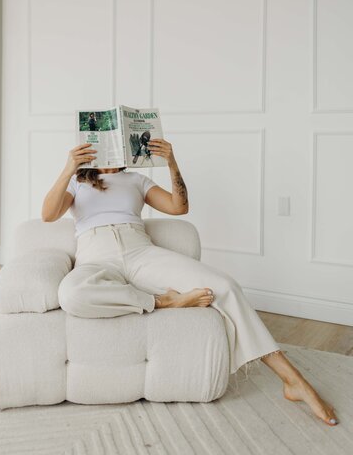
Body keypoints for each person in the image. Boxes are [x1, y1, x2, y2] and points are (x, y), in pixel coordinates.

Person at [41, 139, 339, 427]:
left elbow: (177, 207)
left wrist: (171, 163)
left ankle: (293, 381)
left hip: (140, 251)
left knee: (226, 286)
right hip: (96, 257)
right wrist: (68, 168)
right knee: (71, 293)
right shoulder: (76, 181)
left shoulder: (136, 179)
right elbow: (48, 215)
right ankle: (164, 301)